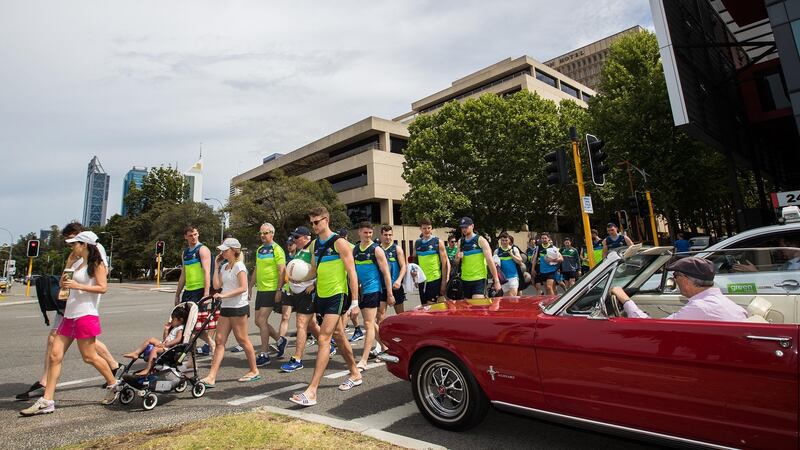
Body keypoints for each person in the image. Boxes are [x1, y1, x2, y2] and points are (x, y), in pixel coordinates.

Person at [16, 222, 121, 401]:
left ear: (82, 240)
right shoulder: (75, 258)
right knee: (57, 350)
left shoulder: (95, 255)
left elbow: (101, 284)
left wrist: (77, 286)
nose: (70, 245)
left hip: (85, 309)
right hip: (69, 308)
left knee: (88, 355)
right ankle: (47, 395)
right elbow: (66, 281)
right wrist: (68, 266)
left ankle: (113, 380)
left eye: (72, 241)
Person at [290, 206, 362, 407]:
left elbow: (352, 273)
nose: (313, 226)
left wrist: (355, 302)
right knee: (339, 335)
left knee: (324, 338)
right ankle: (355, 373)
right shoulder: (314, 245)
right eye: (311, 222)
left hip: (337, 296)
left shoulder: (341, 243)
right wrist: (298, 279)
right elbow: (314, 270)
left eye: (316, 222)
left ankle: (311, 391)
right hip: (320, 295)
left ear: (326, 220)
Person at [200, 238, 260, 387]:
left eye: (225, 250)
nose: (222, 252)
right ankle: (211, 377)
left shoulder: (239, 266)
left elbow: (243, 288)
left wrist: (223, 295)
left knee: (242, 339)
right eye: (222, 250)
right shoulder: (225, 266)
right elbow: (217, 285)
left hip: (238, 307)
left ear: (234, 250)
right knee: (220, 340)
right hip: (226, 307)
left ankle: (254, 371)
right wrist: (216, 264)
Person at [611, 256, 747, 321]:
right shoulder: (719, 301)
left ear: (685, 281)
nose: (674, 279)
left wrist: (624, 299)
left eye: (675, 276)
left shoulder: (700, 307)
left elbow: (650, 327)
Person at [280, 226, 333, 373]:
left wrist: (314, 284)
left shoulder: (314, 250)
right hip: (297, 292)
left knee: (301, 323)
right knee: (312, 324)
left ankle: (297, 359)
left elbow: (324, 269)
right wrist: (290, 284)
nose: (294, 240)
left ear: (305, 237)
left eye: (297, 237)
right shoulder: (300, 252)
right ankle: (329, 344)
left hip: (309, 292)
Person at [350, 222, 394, 371]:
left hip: (373, 289)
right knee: (371, 323)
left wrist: (389, 293)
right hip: (361, 291)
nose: (368, 235)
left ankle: (363, 359)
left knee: (368, 323)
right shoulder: (355, 250)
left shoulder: (377, 250)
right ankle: (385, 346)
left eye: (370, 233)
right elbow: (352, 273)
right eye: (365, 232)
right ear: (359, 232)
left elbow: (386, 273)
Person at [249, 223, 288, 367]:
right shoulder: (260, 249)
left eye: (265, 233)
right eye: (261, 233)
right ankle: (280, 340)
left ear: (272, 233)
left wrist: (279, 290)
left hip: (271, 289)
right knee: (257, 322)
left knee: (262, 320)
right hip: (261, 290)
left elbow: (282, 271)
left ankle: (264, 354)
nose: (262, 236)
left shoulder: (277, 249)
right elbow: (256, 269)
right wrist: (250, 286)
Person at [175, 225, 215, 357]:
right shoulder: (185, 252)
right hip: (188, 291)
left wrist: (206, 293)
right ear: (185, 236)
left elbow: (206, 272)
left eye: (196, 234)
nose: (194, 237)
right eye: (191, 235)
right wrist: (177, 294)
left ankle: (191, 350)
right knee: (187, 323)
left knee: (195, 324)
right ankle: (207, 343)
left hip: (199, 291)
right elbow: (183, 275)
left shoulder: (203, 250)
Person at [123, 305, 187, 376]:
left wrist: (165, 345)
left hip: (170, 349)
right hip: (165, 344)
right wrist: (166, 330)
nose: (171, 321)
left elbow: (178, 339)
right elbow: (165, 339)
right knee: (151, 339)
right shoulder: (175, 327)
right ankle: (136, 353)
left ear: (180, 320)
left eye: (173, 319)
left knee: (155, 349)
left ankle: (147, 369)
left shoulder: (180, 328)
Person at [455, 217, 501, 298]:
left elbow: (490, 261)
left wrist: (496, 280)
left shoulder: (481, 240)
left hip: (479, 279)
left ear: (472, 226)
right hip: (464, 279)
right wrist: (458, 257)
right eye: (462, 227)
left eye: (466, 227)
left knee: (478, 306)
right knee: (468, 308)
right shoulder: (460, 242)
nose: (464, 229)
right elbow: (456, 262)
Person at [412, 218, 449, 304]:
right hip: (422, 280)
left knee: (431, 307)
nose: (427, 230)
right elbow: (414, 262)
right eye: (424, 228)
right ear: (420, 229)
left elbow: (444, 264)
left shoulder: (438, 242)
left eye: (429, 228)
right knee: (424, 307)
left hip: (435, 279)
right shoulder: (417, 243)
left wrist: (444, 282)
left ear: (431, 228)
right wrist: (415, 278)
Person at [379, 225, 407, 316]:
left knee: (400, 315)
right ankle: (381, 330)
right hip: (381, 287)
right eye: (385, 235)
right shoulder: (377, 249)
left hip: (395, 286)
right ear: (381, 235)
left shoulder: (397, 249)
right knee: (380, 314)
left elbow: (403, 266)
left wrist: (399, 280)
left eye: (390, 235)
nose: (388, 237)